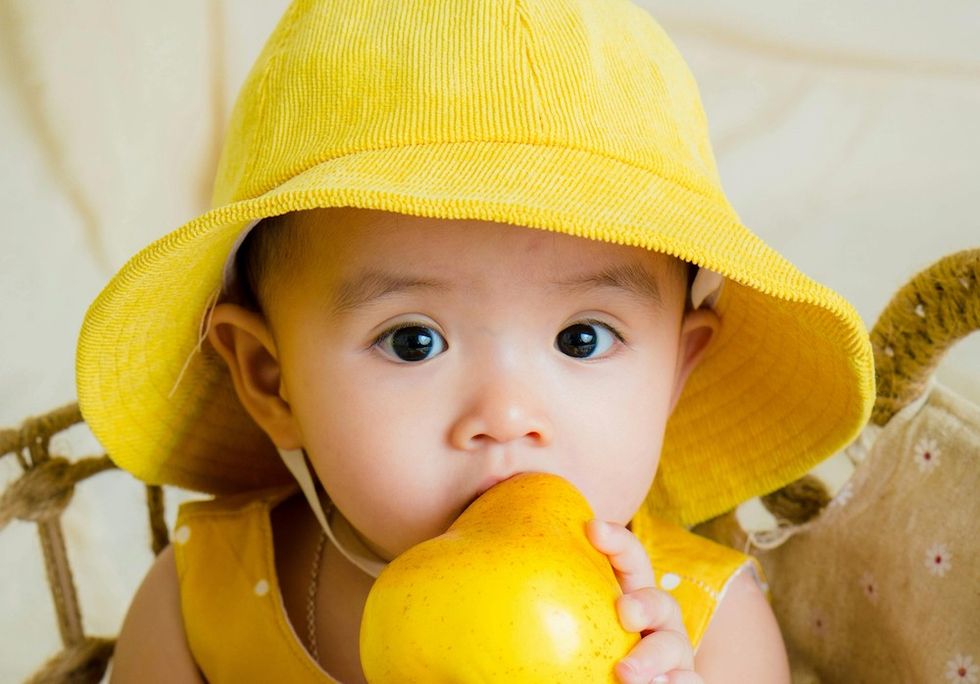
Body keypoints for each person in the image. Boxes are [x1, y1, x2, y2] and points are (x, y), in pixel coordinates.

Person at [75, 1, 875, 682]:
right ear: (271, 379)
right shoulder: (202, 601)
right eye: (413, 341)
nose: (507, 415)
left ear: (677, 370)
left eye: (583, 337)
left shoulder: (707, 628)